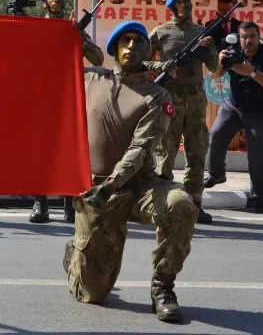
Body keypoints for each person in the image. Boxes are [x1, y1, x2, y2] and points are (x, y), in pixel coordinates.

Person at [63, 21, 196, 323]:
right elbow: (47, 71)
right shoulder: (89, 79)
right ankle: (74, 256)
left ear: (147, 51)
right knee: (92, 294)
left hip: (137, 187)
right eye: (125, 40)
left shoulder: (157, 96)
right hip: (96, 193)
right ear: (114, 49)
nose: (131, 46)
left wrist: (113, 183)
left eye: (138, 41)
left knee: (180, 205)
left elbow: (140, 148)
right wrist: (71, 38)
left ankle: (163, 288)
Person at [31, 0, 104, 224]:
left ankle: (69, 204)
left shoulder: (72, 28)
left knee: (68, 152)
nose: (55, 0)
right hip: (42, 98)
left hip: (68, 100)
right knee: (40, 153)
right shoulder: (37, 28)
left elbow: (98, 57)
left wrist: (78, 36)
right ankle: (40, 204)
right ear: (44, 2)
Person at [144, 0, 217, 224]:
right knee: (166, 151)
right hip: (170, 96)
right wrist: (161, 67)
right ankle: (163, 203)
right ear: (172, 7)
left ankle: (195, 204)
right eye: (181, 2)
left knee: (197, 151)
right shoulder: (160, 32)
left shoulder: (201, 32)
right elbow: (142, 61)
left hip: (196, 97)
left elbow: (215, 67)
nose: (186, 6)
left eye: (188, 1)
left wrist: (210, 49)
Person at [204, 21, 263, 213]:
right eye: (244, 36)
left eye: (252, 36)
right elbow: (214, 76)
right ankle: (216, 174)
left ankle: (259, 198)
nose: (248, 40)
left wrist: (253, 73)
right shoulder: (233, 53)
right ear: (239, 38)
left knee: (257, 156)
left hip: (262, 111)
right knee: (216, 134)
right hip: (234, 106)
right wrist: (219, 62)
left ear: (259, 36)